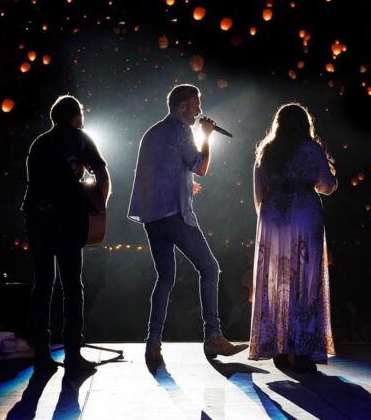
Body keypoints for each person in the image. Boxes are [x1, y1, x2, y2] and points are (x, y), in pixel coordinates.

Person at [128, 84, 247, 364]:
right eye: (196, 104)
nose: (199, 110)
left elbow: (158, 173)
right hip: (176, 216)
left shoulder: (153, 133)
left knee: (165, 277)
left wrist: (184, 185)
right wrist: (205, 136)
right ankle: (213, 336)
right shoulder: (182, 131)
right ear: (182, 106)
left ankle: (153, 341)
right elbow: (201, 167)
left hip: (153, 217)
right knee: (210, 268)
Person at [22, 95, 110, 372]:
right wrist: (99, 206)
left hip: (36, 216)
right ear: (74, 117)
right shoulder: (80, 138)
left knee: (43, 285)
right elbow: (101, 171)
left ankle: (41, 356)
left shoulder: (39, 143)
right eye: (80, 114)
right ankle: (73, 354)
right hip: (67, 218)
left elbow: (34, 181)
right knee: (72, 287)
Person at [249, 103, 337, 373]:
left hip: (273, 214)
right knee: (305, 281)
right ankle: (302, 350)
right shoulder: (312, 149)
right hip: (304, 213)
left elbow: (259, 191)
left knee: (277, 280)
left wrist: (268, 216)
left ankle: (278, 346)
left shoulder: (267, 151)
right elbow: (328, 186)